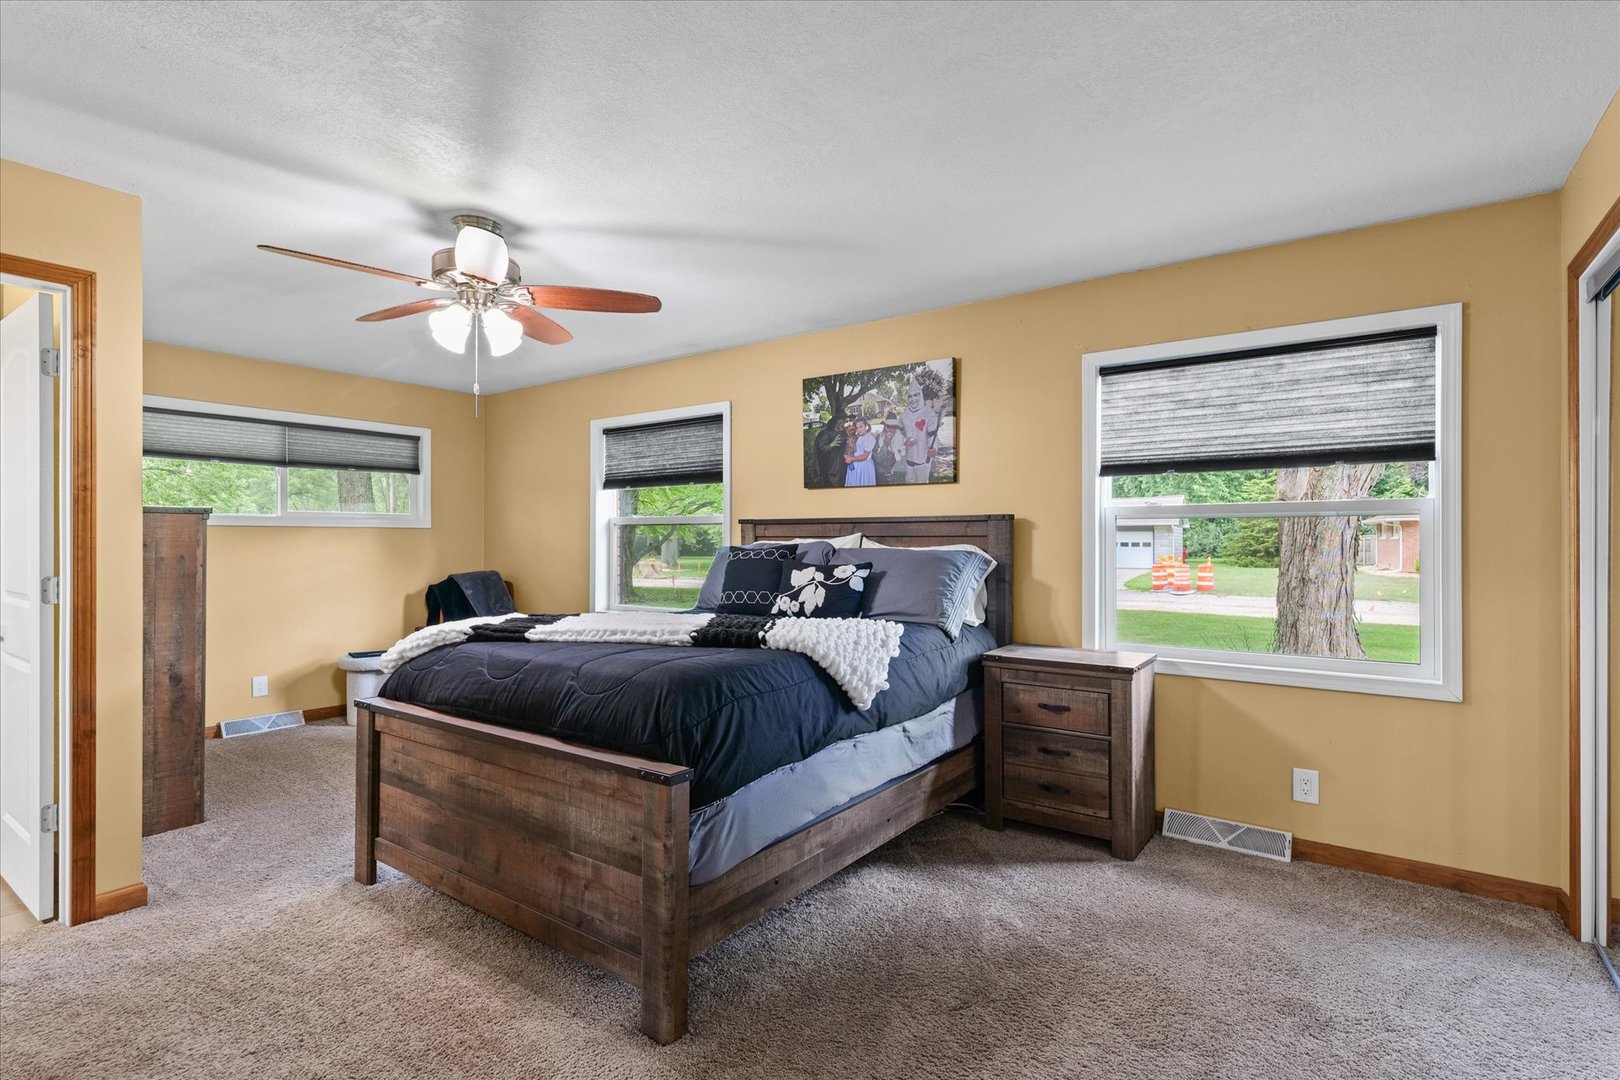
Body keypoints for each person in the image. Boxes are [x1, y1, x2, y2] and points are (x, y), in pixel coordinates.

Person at [898, 375, 939, 483]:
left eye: (916, 395)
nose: (913, 399)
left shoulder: (928, 413)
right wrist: (904, 441)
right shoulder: (904, 416)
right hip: (908, 460)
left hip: (923, 460)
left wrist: (934, 448)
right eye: (910, 396)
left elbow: (933, 435)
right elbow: (899, 433)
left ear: (920, 395)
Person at [843, 417, 876, 486]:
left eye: (861, 427)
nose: (859, 430)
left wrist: (851, 459)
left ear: (866, 426)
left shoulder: (870, 438)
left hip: (864, 467)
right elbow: (852, 450)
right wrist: (847, 454)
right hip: (855, 466)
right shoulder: (856, 437)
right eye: (857, 428)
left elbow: (864, 456)